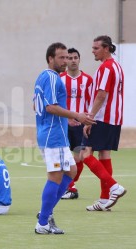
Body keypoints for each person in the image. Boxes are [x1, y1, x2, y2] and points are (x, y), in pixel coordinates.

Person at [33, 42, 95, 234]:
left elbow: (41, 107)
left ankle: (46, 212)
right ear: (50, 59)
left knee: (71, 171)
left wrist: (65, 121)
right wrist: (76, 115)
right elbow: (50, 106)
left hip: (56, 133)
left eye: (67, 57)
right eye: (61, 57)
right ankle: (43, 222)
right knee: (56, 175)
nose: (66, 61)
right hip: (52, 136)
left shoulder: (46, 77)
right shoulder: (51, 77)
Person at [80, 35, 126, 211]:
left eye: (96, 48)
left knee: (84, 154)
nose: (93, 51)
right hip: (114, 119)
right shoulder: (117, 66)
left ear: (106, 48)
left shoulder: (106, 68)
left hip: (103, 118)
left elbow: (101, 94)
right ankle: (104, 199)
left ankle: (114, 186)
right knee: (104, 155)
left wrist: (89, 117)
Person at [60, 48, 93, 199]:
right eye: (70, 58)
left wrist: (88, 120)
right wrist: (67, 117)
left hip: (81, 125)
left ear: (79, 60)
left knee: (79, 157)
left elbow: (92, 102)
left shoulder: (88, 80)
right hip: (63, 124)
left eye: (75, 57)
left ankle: (70, 185)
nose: (73, 60)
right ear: (65, 61)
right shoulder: (60, 79)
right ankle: (69, 187)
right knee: (63, 155)